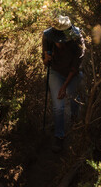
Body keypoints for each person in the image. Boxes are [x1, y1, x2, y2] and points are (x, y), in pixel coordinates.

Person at [42, 15, 85, 152]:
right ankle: (59, 137)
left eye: (62, 40)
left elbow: (75, 67)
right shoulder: (47, 37)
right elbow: (45, 61)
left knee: (73, 98)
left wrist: (64, 87)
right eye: (57, 39)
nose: (59, 43)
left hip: (73, 73)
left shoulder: (78, 40)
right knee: (58, 106)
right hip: (55, 71)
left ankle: (74, 119)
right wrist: (46, 59)